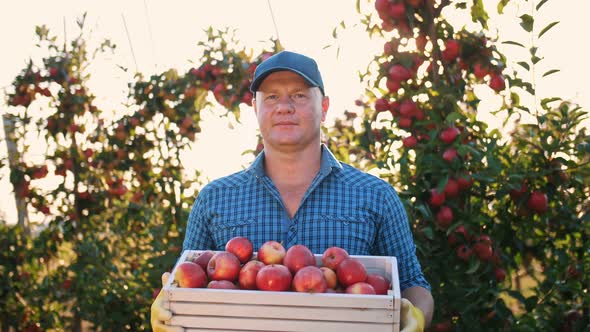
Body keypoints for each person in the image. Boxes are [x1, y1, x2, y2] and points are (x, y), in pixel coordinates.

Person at [151, 50, 434, 332]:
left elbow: (412, 285)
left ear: (324, 108)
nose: (284, 106)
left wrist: (416, 317)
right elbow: (187, 280)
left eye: (298, 95)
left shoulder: (375, 195)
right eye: (271, 97)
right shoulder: (215, 198)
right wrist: (170, 302)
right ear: (255, 108)